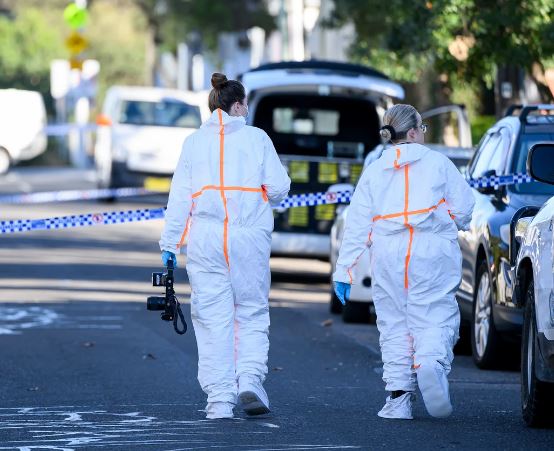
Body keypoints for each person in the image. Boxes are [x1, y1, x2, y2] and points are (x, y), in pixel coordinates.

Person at [159, 73, 291, 419]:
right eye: (245, 104)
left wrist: (170, 243)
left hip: (206, 240)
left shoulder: (193, 143)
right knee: (250, 312)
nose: (247, 110)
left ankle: (219, 401)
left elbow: (179, 198)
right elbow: (277, 188)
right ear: (236, 105)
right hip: (249, 238)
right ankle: (249, 379)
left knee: (211, 317)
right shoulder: (257, 139)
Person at [333, 104, 474, 420]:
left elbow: (357, 223)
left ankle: (398, 400)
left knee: (394, 323)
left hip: (388, 252)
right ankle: (429, 363)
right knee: (436, 312)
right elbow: (465, 208)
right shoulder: (439, 163)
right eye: (422, 128)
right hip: (432, 249)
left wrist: (344, 270)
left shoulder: (375, 170)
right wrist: (447, 220)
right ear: (412, 131)